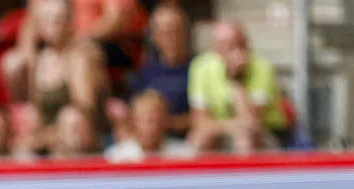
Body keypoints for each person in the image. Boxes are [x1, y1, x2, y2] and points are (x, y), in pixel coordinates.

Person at [187, 20, 288, 153]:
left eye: (240, 44)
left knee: (244, 138)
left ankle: (247, 174)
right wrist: (230, 126)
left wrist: (236, 79)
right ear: (215, 48)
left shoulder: (263, 68)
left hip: (266, 133)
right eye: (228, 46)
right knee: (199, 139)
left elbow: (251, 121)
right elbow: (200, 122)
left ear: (247, 44)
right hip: (224, 130)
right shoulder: (200, 67)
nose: (236, 51)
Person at [125, 3, 191, 134]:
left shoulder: (198, 69)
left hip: (185, 143)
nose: (172, 38)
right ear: (155, 37)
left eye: (176, 31)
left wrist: (166, 123)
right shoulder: (145, 74)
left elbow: (203, 116)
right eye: (165, 33)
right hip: (149, 142)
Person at [104, 88, 189, 160]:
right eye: (144, 119)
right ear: (132, 121)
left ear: (166, 120)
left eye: (156, 118)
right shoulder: (115, 158)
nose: (152, 126)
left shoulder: (185, 156)